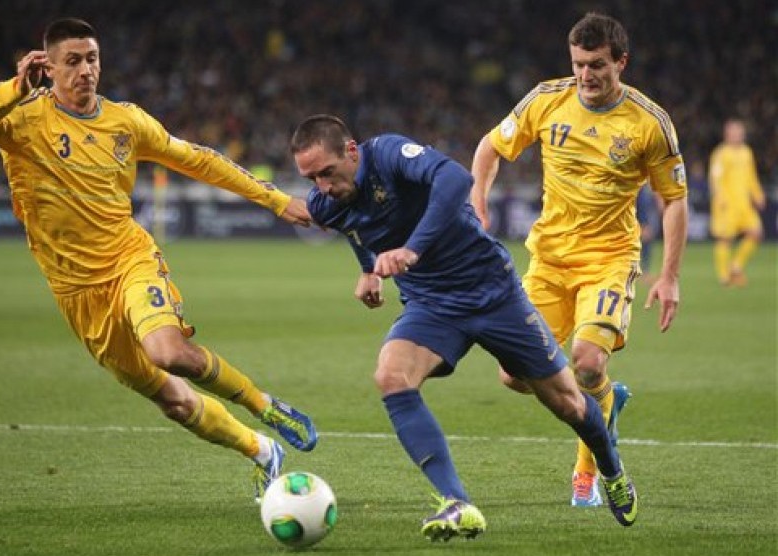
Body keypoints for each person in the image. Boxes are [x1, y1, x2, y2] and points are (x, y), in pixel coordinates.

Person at [0, 18, 318, 502]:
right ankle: (261, 451)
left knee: (167, 352)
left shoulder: (126, 121)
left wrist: (273, 199)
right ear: (48, 65)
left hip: (130, 259)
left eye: (92, 58)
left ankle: (263, 404)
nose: (86, 69)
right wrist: (14, 86)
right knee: (171, 399)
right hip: (76, 291)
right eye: (73, 61)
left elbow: (199, 158)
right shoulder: (21, 121)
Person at [290, 114, 638, 541]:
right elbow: (355, 228)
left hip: (494, 292)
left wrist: (412, 249)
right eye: (311, 178)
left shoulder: (389, 153)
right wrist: (369, 271)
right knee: (391, 376)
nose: (322, 186)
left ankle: (611, 468)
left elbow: (456, 180)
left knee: (569, 404)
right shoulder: (328, 202)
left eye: (327, 172)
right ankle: (457, 502)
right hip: (432, 305)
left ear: (351, 150)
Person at [471, 12, 688, 507]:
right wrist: (478, 202)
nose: (586, 76)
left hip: (608, 261)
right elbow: (490, 146)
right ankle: (607, 400)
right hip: (548, 260)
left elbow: (673, 199)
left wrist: (670, 276)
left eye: (596, 66)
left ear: (621, 62)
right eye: (578, 64)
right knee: (513, 375)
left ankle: (587, 473)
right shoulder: (548, 98)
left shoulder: (649, 123)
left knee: (586, 364)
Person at [709, 118, 765, 287]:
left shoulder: (747, 152)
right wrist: (720, 198)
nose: (737, 135)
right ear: (727, 134)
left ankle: (736, 266)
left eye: (739, 132)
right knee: (725, 239)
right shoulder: (721, 153)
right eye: (734, 132)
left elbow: (752, 176)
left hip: (744, 204)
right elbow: (715, 178)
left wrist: (758, 194)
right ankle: (724, 276)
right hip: (727, 204)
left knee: (756, 233)